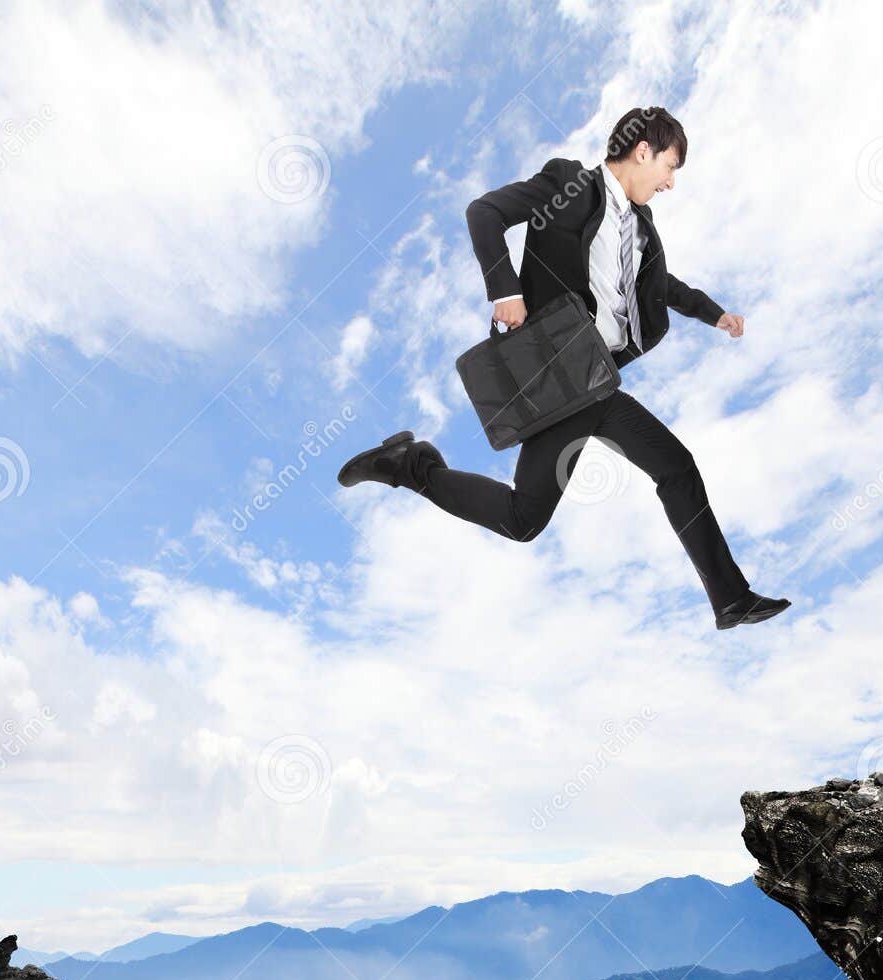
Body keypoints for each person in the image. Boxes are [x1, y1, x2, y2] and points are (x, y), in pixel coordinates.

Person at [337, 105, 789, 631]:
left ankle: (730, 598)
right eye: (669, 167)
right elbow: (484, 212)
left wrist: (715, 315)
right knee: (524, 518)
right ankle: (410, 467)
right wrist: (504, 288)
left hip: (596, 380)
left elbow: (661, 288)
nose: (669, 182)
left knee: (672, 467)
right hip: (557, 373)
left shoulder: (641, 226)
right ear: (643, 151)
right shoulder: (569, 184)